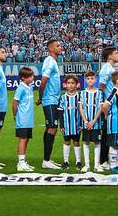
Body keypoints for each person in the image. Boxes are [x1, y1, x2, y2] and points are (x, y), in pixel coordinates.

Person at [37, 39, 63, 169]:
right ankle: (46, 160)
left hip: (53, 99)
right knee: (52, 127)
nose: (60, 47)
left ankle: (47, 159)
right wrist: (41, 97)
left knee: (50, 127)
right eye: (58, 45)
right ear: (51, 49)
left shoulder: (53, 62)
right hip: (50, 100)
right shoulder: (49, 61)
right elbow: (43, 81)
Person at [102, 71, 118, 174]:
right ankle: (113, 166)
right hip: (115, 125)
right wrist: (106, 114)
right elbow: (105, 105)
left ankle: (117, 165)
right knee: (114, 145)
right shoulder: (114, 92)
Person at [98, 46, 118, 169]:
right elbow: (101, 87)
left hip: (111, 105)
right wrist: (104, 107)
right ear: (110, 56)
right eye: (116, 53)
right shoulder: (106, 69)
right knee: (106, 133)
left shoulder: (110, 68)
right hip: (108, 106)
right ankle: (103, 160)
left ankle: (106, 159)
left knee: (109, 132)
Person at [79, 70, 104, 173]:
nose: (90, 80)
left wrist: (93, 121)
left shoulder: (99, 93)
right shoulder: (83, 92)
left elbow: (100, 108)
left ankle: (97, 165)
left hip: (96, 123)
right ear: (85, 80)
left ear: (95, 79)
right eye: (88, 78)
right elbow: (81, 107)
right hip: (86, 123)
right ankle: (87, 164)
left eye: (92, 78)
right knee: (86, 142)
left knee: (97, 142)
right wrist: (85, 121)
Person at [13, 67, 35, 172]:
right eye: (30, 76)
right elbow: (15, 102)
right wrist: (15, 115)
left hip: (29, 119)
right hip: (22, 119)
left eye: (32, 75)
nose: (32, 78)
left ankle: (23, 161)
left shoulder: (29, 87)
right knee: (22, 139)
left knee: (26, 139)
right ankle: (20, 163)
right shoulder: (20, 88)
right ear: (23, 78)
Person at [59, 75, 82, 170]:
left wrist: (81, 124)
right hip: (67, 125)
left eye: (73, 83)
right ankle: (66, 161)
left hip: (77, 125)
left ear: (77, 85)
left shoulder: (80, 96)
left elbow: (82, 111)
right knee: (66, 141)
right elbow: (60, 111)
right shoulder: (63, 97)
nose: (71, 85)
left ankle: (78, 161)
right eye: (69, 83)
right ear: (65, 85)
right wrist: (62, 125)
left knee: (76, 142)